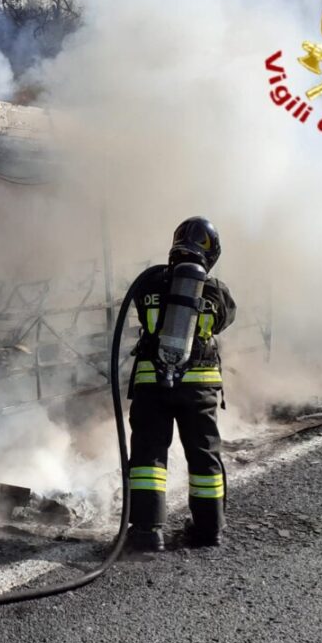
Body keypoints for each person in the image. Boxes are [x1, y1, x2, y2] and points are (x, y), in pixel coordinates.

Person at [126, 217, 237, 552]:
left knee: (148, 457)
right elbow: (224, 321)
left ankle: (147, 532)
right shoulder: (218, 292)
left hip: (153, 383)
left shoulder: (148, 282)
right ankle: (209, 530)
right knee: (204, 456)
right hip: (199, 388)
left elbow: (137, 305)